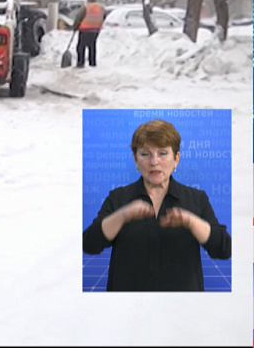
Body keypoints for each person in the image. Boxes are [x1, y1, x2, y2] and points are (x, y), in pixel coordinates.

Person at [82, 119, 231, 291]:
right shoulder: (118, 198)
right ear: (135, 160)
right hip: (126, 307)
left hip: (183, 307)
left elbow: (224, 249)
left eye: (162, 153)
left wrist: (192, 222)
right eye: (145, 154)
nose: (154, 162)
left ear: (176, 159)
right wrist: (122, 215)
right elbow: (90, 245)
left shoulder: (197, 199)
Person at [71, 0, 104, 67]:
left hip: (85, 30)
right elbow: (103, 16)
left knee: (81, 47)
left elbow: (79, 17)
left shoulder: (85, 7)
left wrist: (75, 27)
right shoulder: (101, 7)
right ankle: (92, 63)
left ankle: (80, 63)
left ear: (88, 0)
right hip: (96, 30)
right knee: (92, 46)